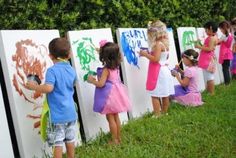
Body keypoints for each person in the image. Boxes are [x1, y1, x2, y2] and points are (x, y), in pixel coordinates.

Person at [25, 38, 78, 158]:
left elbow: (49, 88)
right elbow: (74, 83)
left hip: (58, 114)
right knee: (70, 138)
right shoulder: (71, 69)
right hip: (70, 113)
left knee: (58, 142)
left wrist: (34, 87)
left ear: (50, 55)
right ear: (69, 54)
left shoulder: (52, 71)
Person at [87, 42, 131, 145]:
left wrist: (92, 81)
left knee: (110, 118)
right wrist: (101, 50)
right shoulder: (116, 66)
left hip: (109, 96)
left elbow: (101, 84)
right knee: (116, 117)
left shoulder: (106, 70)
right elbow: (110, 52)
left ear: (105, 57)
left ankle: (114, 140)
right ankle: (118, 137)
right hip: (117, 94)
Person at [139, 20, 174, 117]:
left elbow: (155, 59)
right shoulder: (164, 43)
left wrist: (145, 54)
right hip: (164, 70)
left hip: (158, 72)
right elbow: (163, 57)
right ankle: (164, 112)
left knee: (155, 94)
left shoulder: (158, 44)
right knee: (165, 93)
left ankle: (157, 114)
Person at [195, 21, 218, 95]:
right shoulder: (212, 37)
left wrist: (199, 46)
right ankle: (209, 91)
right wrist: (201, 45)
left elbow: (210, 49)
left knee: (209, 77)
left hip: (208, 59)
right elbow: (207, 47)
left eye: (206, 30)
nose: (205, 31)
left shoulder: (211, 38)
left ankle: (211, 92)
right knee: (207, 76)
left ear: (211, 28)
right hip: (207, 58)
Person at [217, 20, 233, 85]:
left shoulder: (224, 36)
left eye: (221, 29)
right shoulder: (230, 35)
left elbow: (218, 41)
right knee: (226, 68)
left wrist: (215, 36)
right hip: (228, 53)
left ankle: (227, 83)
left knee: (225, 69)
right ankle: (228, 82)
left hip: (224, 54)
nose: (220, 30)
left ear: (224, 28)